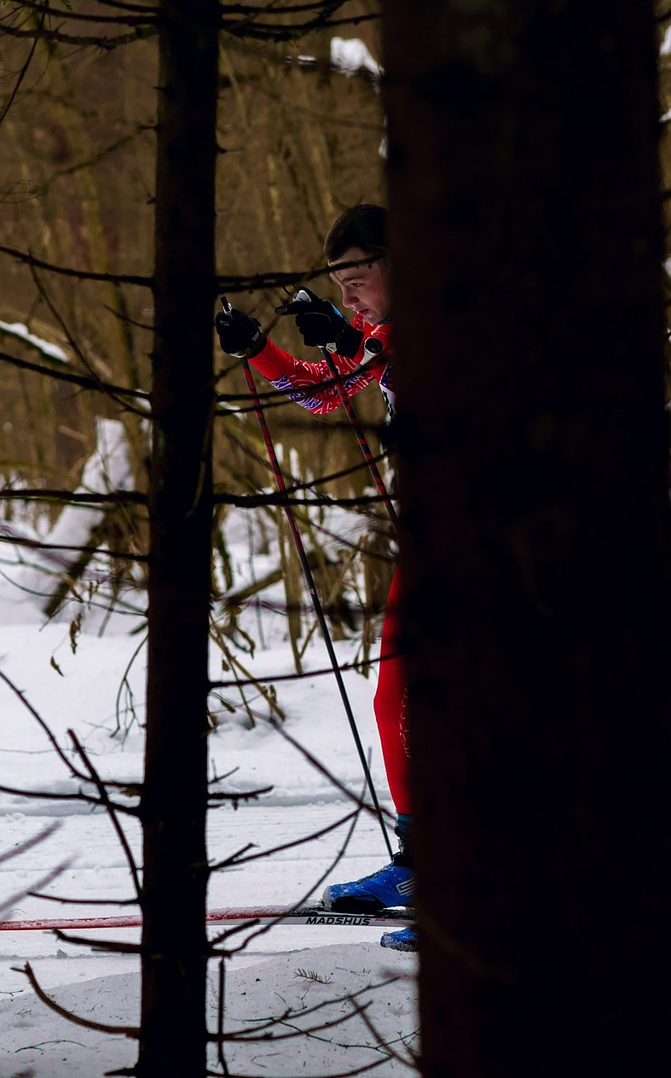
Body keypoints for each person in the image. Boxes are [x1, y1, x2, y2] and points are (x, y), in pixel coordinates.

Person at [214, 203, 412, 946]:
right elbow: (320, 389)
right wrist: (260, 349)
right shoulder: (375, 332)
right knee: (395, 692)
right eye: (340, 282)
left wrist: (354, 336)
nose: (351, 294)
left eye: (359, 278)